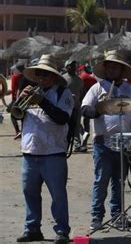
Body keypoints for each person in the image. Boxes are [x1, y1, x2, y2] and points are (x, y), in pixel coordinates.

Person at [81, 50, 131, 230]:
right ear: (105, 68)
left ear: (121, 69)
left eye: (115, 66)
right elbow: (85, 109)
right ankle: (97, 217)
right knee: (101, 180)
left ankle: (117, 214)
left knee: (119, 181)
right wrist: (99, 109)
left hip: (124, 143)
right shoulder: (97, 88)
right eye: (109, 66)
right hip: (103, 142)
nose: (112, 69)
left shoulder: (129, 88)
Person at [15, 54, 73, 244]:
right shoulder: (29, 91)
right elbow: (16, 115)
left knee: (58, 195)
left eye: (45, 75)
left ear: (54, 77)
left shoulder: (63, 94)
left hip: (53, 152)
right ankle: (32, 229)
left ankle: (62, 231)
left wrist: (42, 101)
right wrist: (19, 102)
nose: (40, 79)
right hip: (30, 150)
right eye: (38, 74)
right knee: (29, 192)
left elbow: (62, 118)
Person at [62, 60, 84, 152]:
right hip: (64, 107)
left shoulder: (79, 80)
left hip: (76, 106)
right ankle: (64, 144)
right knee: (65, 127)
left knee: (76, 126)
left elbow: (82, 92)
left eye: (75, 65)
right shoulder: (62, 79)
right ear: (67, 67)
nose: (74, 67)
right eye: (71, 65)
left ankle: (77, 144)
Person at [77, 64, 97, 152]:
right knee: (87, 121)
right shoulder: (92, 78)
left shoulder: (81, 78)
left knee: (77, 122)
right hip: (92, 103)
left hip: (83, 102)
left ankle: (83, 134)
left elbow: (80, 91)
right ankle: (86, 132)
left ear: (80, 71)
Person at [10, 62, 25, 138]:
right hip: (26, 98)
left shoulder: (14, 77)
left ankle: (17, 131)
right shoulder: (27, 76)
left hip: (17, 98)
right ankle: (23, 131)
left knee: (12, 116)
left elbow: (13, 89)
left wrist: (14, 100)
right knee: (24, 115)